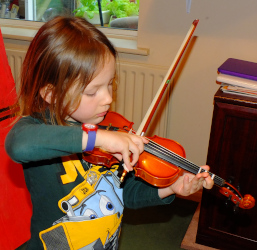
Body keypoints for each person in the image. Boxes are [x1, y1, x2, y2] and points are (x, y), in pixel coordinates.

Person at [5, 16, 214, 250]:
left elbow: (122, 193)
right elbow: (17, 145)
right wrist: (98, 138)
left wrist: (170, 187)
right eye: (92, 92)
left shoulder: (109, 131)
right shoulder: (38, 131)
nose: (108, 99)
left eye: (110, 84)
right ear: (51, 94)